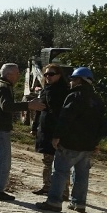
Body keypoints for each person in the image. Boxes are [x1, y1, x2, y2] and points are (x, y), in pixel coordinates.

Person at [36, 67, 106, 213]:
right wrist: (96, 142)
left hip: (70, 143)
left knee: (60, 172)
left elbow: (65, 119)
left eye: (73, 79)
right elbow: (102, 123)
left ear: (79, 80)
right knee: (82, 175)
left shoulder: (74, 96)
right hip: (87, 145)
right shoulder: (97, 99)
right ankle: (79, 203)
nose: (71, 82)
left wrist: (56, 136)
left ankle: (54, 202)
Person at [0, 63, 46, 201]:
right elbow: (6, 106)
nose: (19, 76)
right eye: (17, 73)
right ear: (9, 75)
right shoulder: (3, 87)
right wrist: (29, 105)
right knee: (2, 161)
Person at [30, 64, 70, 197]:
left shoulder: (64, 92)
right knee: (47, 161)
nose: (48, 77)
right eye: (46, 74)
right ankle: (47, 186)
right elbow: (39, 109)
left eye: (51, 74)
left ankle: (63, 192)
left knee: (61, 164)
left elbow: (63, 115)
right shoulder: (45, 90)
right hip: (45, 130)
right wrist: (34, 127)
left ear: (59, 75)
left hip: (58, 131)